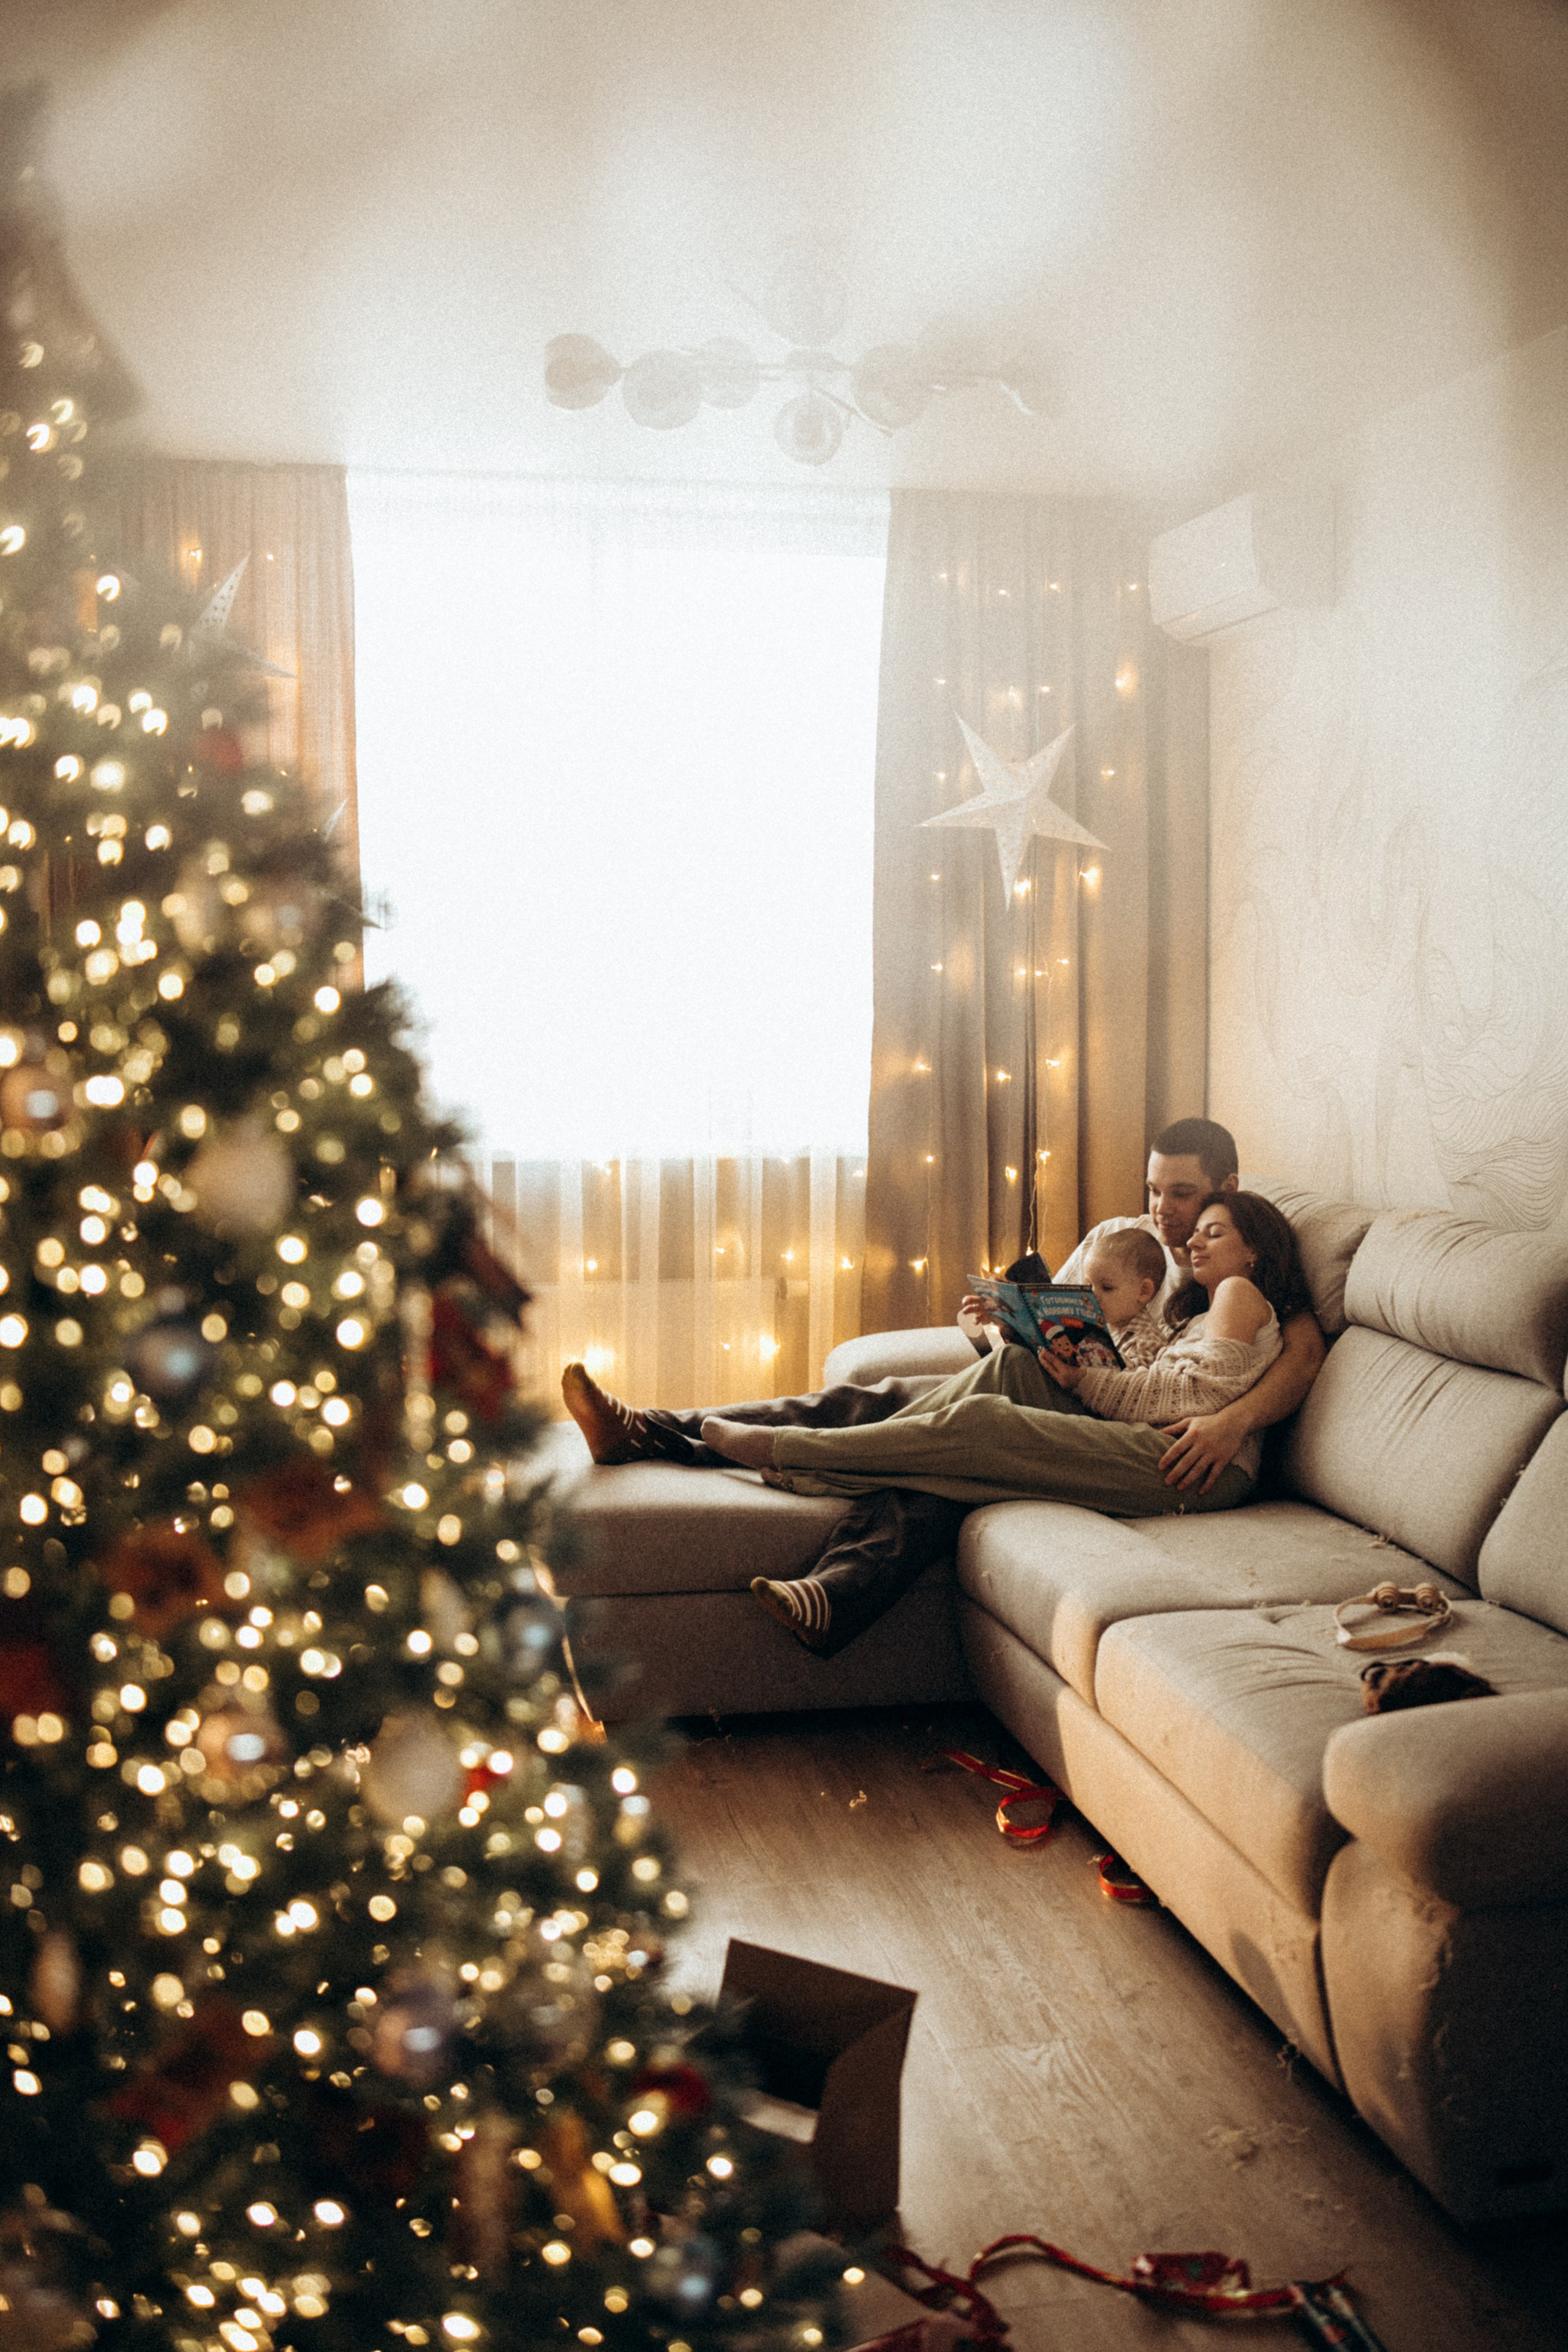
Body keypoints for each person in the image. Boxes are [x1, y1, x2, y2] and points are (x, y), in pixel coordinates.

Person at [559, 1120, 1326, 1653]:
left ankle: (804, 1503)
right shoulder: (1123, 1240)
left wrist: (1235, 1422)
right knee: (900, 1398)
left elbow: (1295, 1356)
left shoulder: (1234, 1268)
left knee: (962, 1445)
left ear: (1227, 1189)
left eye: (1183, 1195)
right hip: (1084, 1399)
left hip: (1160, 1440)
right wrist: (995, 1326)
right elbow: (1051, 1332)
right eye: (1155, 1190)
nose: (1165, 1212)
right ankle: (660, 1429)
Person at [707, 1192, 1310, 1649]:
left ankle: (794, 1452)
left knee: (984, 1421)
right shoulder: (1194, 1306)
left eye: (1213, 1232)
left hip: (1195, 1465)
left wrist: (1085, 1381)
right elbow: (1160, 1375)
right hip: (1155, 1441)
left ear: (1254, 1250)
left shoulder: (1238, 1292)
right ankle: (835, 1461)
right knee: (1014, 1367)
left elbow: (1193, 1393)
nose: (1194, 1240)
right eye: (1195, 1229)